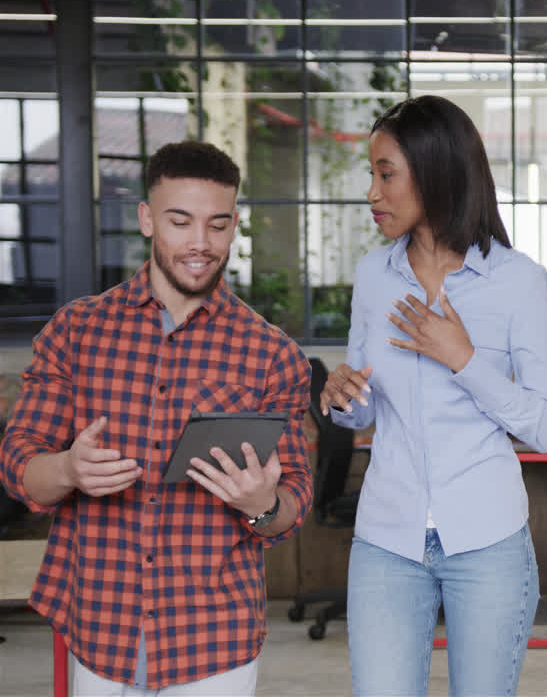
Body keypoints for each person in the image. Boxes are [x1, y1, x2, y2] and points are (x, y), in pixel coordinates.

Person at [0, 141, 313, 696]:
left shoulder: (272, 354)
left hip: (214, 638)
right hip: (100, 625)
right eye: (180, 221)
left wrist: (261, 505)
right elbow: (17, 459)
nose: (200, 243)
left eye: (217, 225)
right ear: (147, 219)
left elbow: (293, 500)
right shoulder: (77, 331)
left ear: (234, 224)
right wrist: (69, 471)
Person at [321, 95, 547, 696]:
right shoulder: (373, 278)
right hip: (386, 539)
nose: (373, 193)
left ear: (434, 172)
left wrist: (464, 360)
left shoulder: (517, 281)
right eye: (371, 175)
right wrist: (341, 397)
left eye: (386, 174)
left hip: (488, 542)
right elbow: (364, 409)